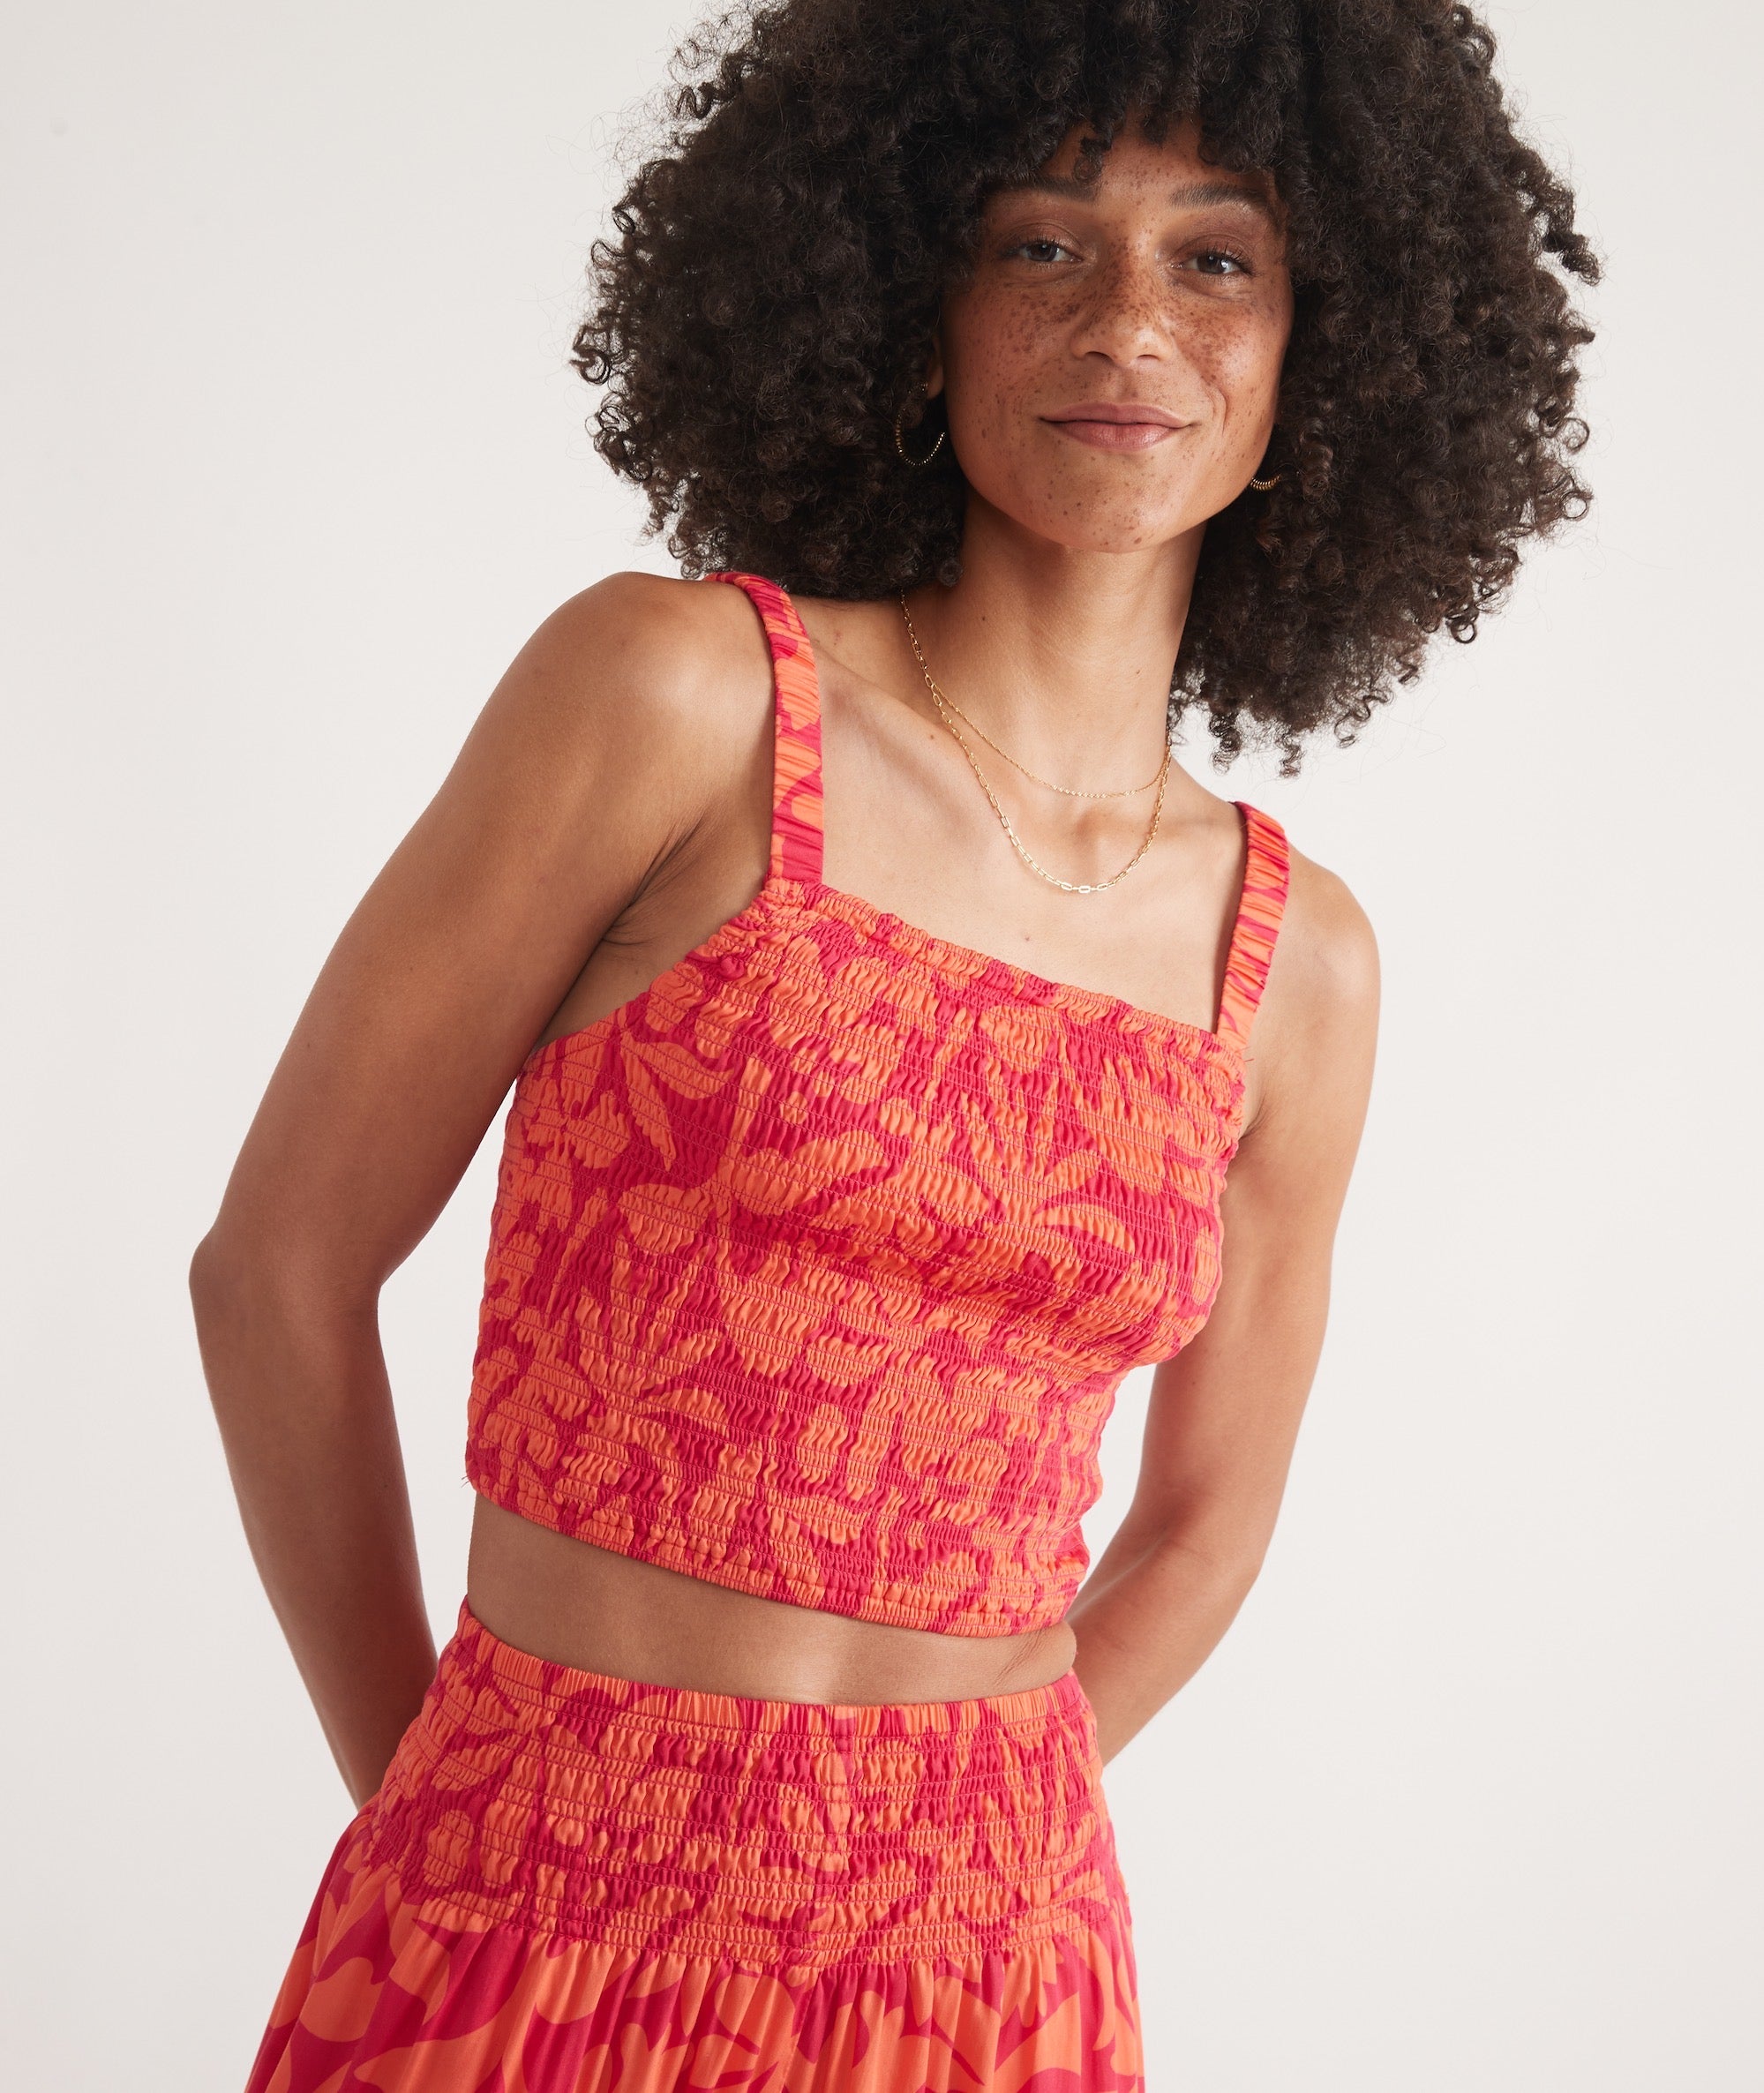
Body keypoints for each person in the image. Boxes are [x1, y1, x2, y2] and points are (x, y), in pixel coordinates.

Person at [191, 3, 1595, 2086]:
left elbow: (1203, 1525)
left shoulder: (1295, 965)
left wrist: (947, 1827)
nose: (1129, 321)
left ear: (1325, 352)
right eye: (1042, 242)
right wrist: (436, 1788)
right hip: (529, 1883)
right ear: (907, 306)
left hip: (986, 1969)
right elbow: (278, 1268)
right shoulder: (676, 700)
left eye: (1216, 257)